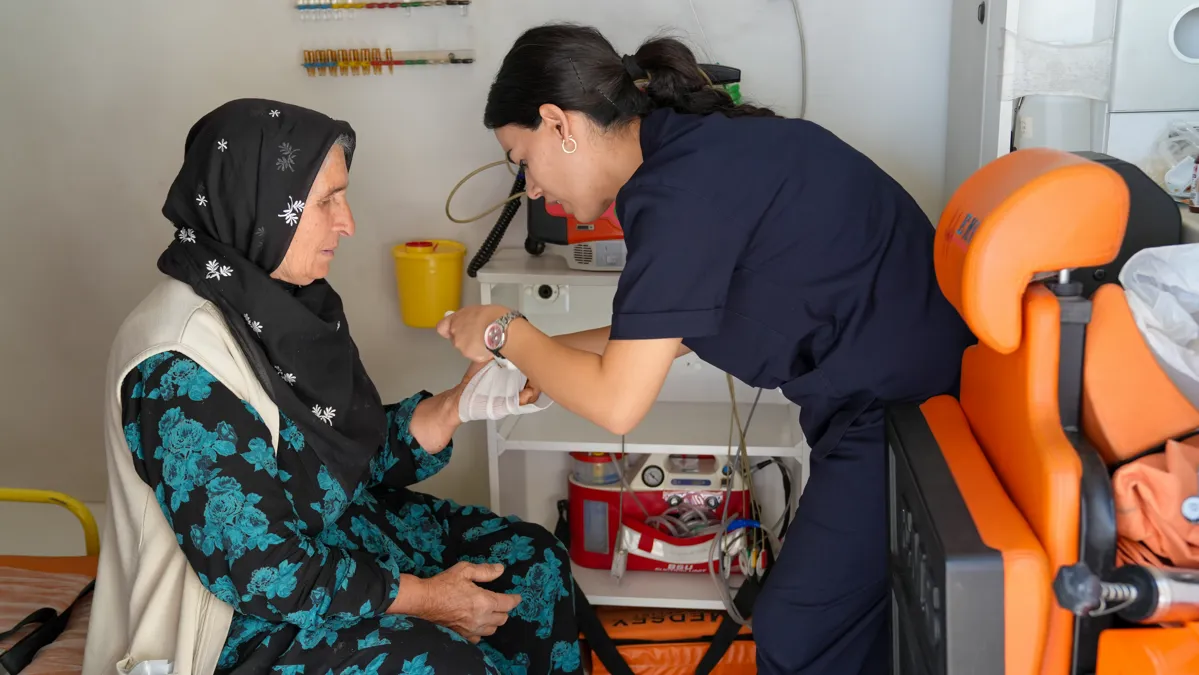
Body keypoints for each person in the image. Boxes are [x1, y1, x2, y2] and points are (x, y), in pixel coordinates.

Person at [437, 24, 977, 675]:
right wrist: (529, 359)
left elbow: (617, 402)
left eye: (521, 158)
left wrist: (504, 329)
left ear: (558, 123)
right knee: (834, 625)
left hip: (906, 412)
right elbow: (656, 331)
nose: (528, 187)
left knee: (797, 627)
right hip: (904, 390)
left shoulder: (674, 192)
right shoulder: (689, 154)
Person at [83, 98, 582, 675]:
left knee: (533, 563)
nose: (348, 223)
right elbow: (264, 572)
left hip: (334, 542)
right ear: (259, 205)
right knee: (444, 664)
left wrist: (455, 406)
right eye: (325, 201)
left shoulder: (277, 307)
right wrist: (428, 599)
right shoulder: (178, 368)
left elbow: (338, 461)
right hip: (237, 623)